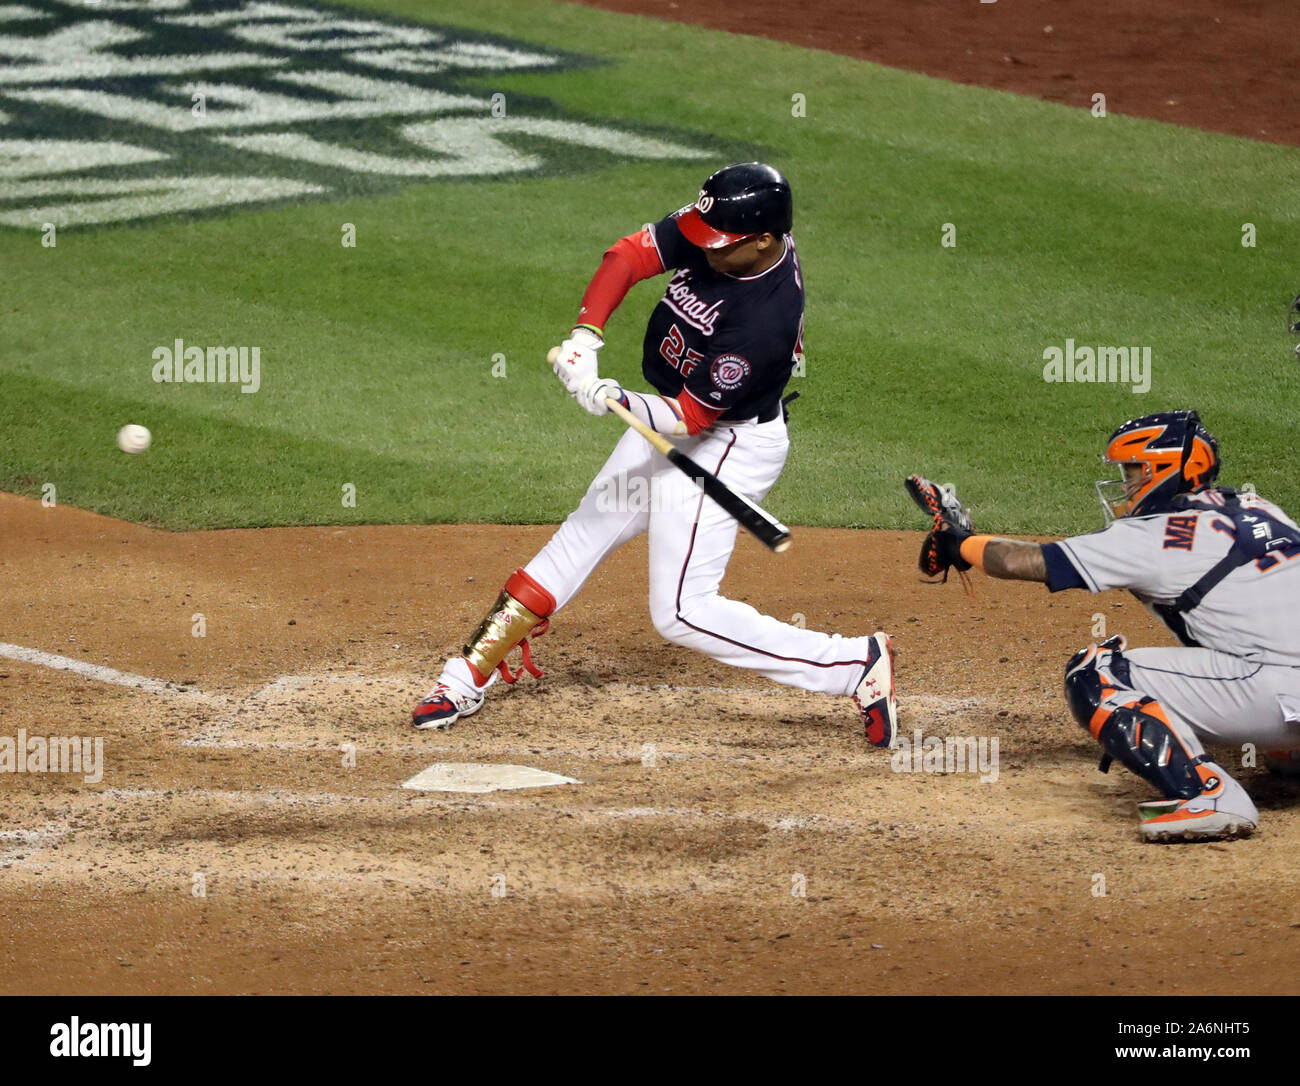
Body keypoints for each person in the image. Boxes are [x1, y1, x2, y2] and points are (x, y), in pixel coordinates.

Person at [411, 163, 896, 745]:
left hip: (728, 446)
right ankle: (467, 671)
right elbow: (629, 255)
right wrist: (586, 336)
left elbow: (690, 419)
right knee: (584, 532)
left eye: (721, 245)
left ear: (766, 240)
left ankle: (854, 664)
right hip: (671, 418)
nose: (705, 251)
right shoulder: (722, 231)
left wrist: (610, 397)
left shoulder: (764, 319)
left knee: (681, 612)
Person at [911, 410, 1300, 841]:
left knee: (1096, 674)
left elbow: (1026, 561)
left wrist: (960, 542)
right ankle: (1289, 754)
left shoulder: (1152, 536)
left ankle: (1208, 796)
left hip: (1277, 692)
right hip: (1283, 689)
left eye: (1134, 470)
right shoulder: (1257, 507)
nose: (1126, 483)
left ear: (1166, 470)